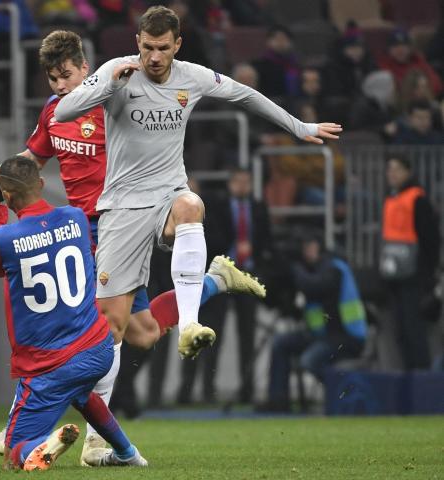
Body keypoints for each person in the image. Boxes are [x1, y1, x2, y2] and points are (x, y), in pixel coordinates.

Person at [0, 29, 265, 462]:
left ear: (85, 68)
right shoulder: (55, 113)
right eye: (53, 78)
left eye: (66, 75)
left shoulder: (116, 101)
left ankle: (86, 439)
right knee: (144, 334)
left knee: (78, 324)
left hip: (117, 225)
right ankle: (214, 281)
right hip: (81, 229)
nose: (60, 85)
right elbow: (28, 163)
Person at [54, 5, 340, 393]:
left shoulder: (193, 76)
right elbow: (64, 110)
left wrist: (299, 126)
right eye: (148, 47)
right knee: (124, 328)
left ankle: (189, 322)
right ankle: (100, 438)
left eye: (164, 48)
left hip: (169, 194)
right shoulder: (116, 70)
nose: (155, 57)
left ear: (178, 45)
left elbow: (245, 94)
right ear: (137, 42)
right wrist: (109, 85)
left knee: (192, 206)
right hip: (123, 205)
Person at [0, 156, 147, 470]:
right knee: (81, 392)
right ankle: (127, 453)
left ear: (9, 196)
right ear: (41, 183)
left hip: (49, 365)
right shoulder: (76, 217)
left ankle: (44, 445)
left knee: (13, 456)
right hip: (97, 348)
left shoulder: (5, 238)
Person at [179, 168, 272, 404]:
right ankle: (203, 390)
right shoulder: (217, 208)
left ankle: (247, 392)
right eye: (238, 181)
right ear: (230, 183)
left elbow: (266, 241)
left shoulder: (259, 208)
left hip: (247, 276)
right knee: (209, 333)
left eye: (246, 182)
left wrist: (257, 262)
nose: (242, 186)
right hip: (219, 277)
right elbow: (210, 239)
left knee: (247, 336)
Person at [260, 235, 367, 412]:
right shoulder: (309, 269)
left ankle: (344, 395)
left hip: (346, 336)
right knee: (280, 343)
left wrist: (295, 270)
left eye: (309, 246)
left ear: (318, 246)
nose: (305, 252)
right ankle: (278, 402)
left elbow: (315, 287)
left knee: (309, 360)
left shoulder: (334, 267)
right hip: (322, 335)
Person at [380, 156, 441, 370]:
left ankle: (421, 383)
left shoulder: (418, 199)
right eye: (390, 169)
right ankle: (408, 384)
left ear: (408, 172)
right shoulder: (390, 198)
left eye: (397, 169)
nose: (393, 174)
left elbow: (430, 240)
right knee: (400, 332)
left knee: (414, 331)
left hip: (414, 277)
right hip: (394, 275)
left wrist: (426, 275)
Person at [251, 25, 300, 98]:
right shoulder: (261, 65)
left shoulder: (295, 63)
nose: (281, 42)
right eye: (277, 39)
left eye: (284, 39)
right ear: (268, 42)